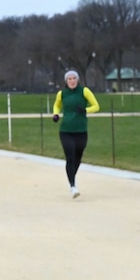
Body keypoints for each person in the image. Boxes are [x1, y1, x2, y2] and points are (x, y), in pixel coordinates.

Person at [51, 68, 99, 198]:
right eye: (69, 79)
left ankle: (72, 176)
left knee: (78, 157)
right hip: (66, 130)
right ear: (66, 81)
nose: (72, 81)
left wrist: (84, 110)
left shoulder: (84, 91)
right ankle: (72, 185)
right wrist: (56, 114)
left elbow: (96, 106)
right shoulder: (62, 93)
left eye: (74, 78)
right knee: (70, 156)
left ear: (78, 80)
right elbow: (57, 105)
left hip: (81, 130)